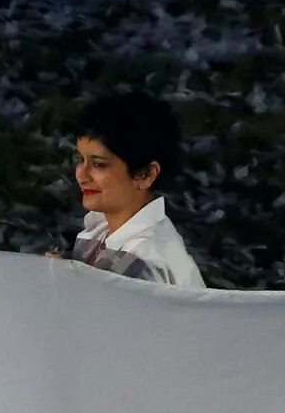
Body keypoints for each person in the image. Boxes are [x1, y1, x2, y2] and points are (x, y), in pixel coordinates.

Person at [69, 93, 203, 289]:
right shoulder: (101, 230)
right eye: (80, 160)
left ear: (146, 174)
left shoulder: (145, 260)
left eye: (98, 165)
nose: (82, 174)